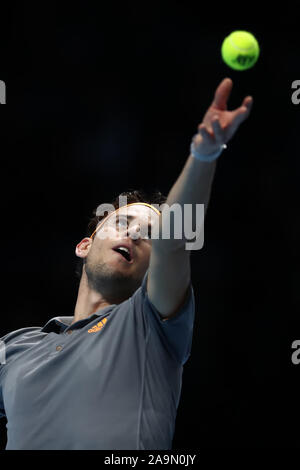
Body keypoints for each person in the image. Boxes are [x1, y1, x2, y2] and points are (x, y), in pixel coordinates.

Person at [0, 78, 252, 450]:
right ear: (84, 246)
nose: (134, 234)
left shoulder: (151, 324)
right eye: (122, 222)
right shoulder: (16, 347)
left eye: (149, 233)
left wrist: (204, 156)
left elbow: (173, 244)